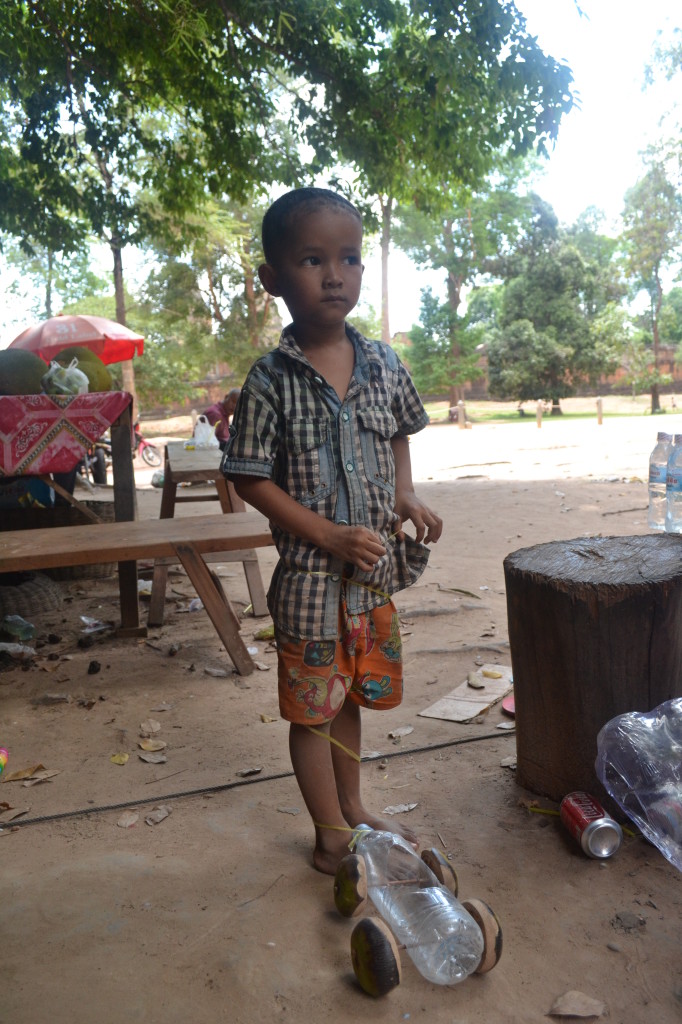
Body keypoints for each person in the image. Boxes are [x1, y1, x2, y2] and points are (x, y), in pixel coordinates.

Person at [221, 187, 442, 874]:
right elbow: (250, 478)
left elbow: (402, 430)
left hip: (371, 577)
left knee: (349, 698)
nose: (335, 274)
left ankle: (354, 805)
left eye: (348, 258)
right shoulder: (270, 380)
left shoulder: (383, 363)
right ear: (273, 279)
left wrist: (403, 492)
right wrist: (327, 534)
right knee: (312, 711)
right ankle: (328, 836)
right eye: (312, 259)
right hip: (313, 583)